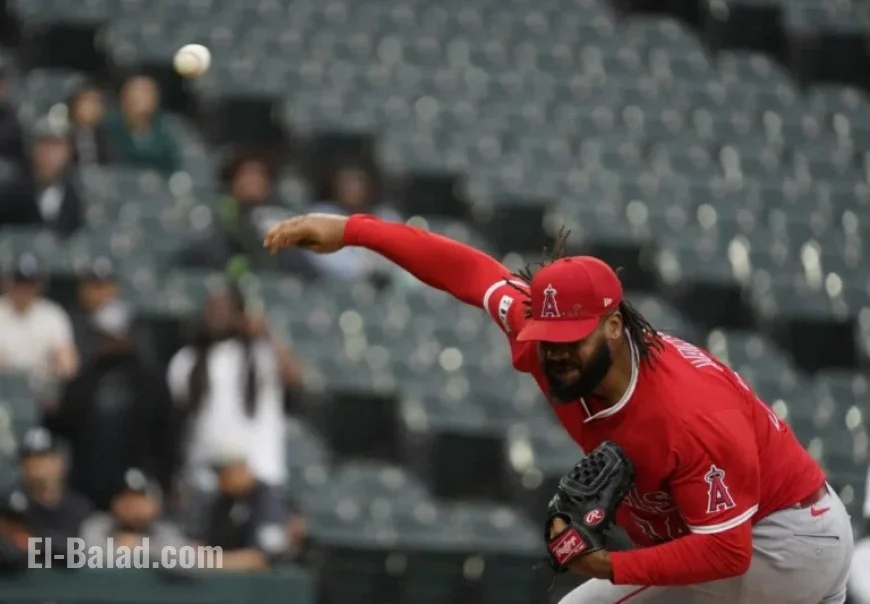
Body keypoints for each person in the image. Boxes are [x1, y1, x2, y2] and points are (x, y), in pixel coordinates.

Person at [264, 214, 854, 603]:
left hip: (785, 541)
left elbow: (728, 551)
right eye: (548, 334)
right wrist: (351, 229)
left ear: (615, 324)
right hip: (738, 539)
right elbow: (468, 271)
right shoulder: (543, 341)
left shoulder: (687, 413)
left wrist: (607, 565)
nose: (555, 352)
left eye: (572, 336)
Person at [167, 283, 304, 493]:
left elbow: (295, 378)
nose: (217, 315)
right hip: (204, 477)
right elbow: (178, 415)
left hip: (260, 473)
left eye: (224, 308)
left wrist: (267, 333)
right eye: (211, 308)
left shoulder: (261, 354)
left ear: (240, 313)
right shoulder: (186, 360)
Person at [47, 300, 177, 510]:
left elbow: (166, 438)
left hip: (137, 489)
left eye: (114, 335)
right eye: (103, 335)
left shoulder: (151, 382)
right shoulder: (83, 380)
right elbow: (65, 426)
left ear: (130, 336)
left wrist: (165, 482)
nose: (107, 341)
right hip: (87, 488)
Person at [198, 445, 302, 570]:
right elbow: (209, 544)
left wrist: (211, 561)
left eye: (225, 472)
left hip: (268, 583)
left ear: (242, 470)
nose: (220, 478)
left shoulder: (267, 498)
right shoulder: (224, 502)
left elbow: (262, 558)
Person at [0, 252, 79, 394]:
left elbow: (69, 364)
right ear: (7, 282)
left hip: (42, 392)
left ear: (39, 284)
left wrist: (57, 368)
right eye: (19, 282)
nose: (24, 289)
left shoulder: (52, 314)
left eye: (29, 283)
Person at [79, 468, 189, 567]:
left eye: (140, 499)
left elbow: (183, 561)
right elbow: (92, 555)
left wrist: (139, 546)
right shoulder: (98, 526)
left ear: (156, 506)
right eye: (127, 497)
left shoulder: (165, 531)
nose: (134, 506)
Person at [17, 427, 92, 563]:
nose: (39, 466)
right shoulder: (13, 506)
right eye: (31, 459)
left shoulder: (80, 507)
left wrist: (36, 543)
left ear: (62, 463)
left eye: (46, 458)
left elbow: (79, 553)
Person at [0, 118, 82, 237]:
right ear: (32, 149)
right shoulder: (9, 195)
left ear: (68, 152)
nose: (49, 155)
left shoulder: (77, 197)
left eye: (56, 147)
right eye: (44, 146)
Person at [103, 74, 179, 175]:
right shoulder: (107, 129)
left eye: (147, 93)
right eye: (136, 94)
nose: (142, 99)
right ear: (124, 98)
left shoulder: (170, 128)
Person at [66, 83, 110, 166]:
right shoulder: (65, 136)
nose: (90, 108)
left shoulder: (107, 136)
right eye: (86, 102)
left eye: (95, 103)